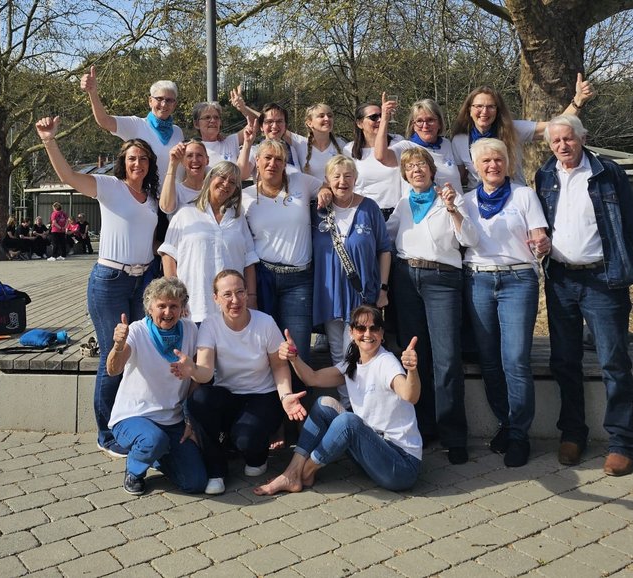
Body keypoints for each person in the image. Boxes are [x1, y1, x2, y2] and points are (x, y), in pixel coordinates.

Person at [36, 116, 160, 458]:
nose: (138, 163)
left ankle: (128, 418)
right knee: (114, 352)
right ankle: (105, 433)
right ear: (124, 163)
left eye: (144, 159)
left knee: (136, 351)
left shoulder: (150, 198)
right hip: (111, 281)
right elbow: (68, 176)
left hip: (142, 281)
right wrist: (50, 140)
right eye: (132, 158)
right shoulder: (110, 187)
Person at [536, 115, 633, 477]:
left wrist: (614, 263)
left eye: (568, 139)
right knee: (564, 360)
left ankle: (623, 442)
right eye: (556, 142)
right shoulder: (544, 176)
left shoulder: (607, 172)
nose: (562, 146)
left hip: (602, 278)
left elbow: (627, 225)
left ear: (582, 138)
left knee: (614, 361)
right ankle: (573, 433)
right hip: (561, 279)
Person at [253, 305, 422, 495]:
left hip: (401, 466)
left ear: (382, 334)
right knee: (323, 404)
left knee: (348, 422)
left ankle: (304, 471)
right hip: (374, 451)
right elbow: (312, 378)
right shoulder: (353, 364)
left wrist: (412, 370)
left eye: (374, 328)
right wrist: (294, 358)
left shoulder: (387, 363)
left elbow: (410, 395)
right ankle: (293, 471)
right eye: (361, 328)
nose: (368, 333)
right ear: (351, 333)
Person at [386, 148, 478, 464]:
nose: (416, 170)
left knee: (447, 357)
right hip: (406, 279)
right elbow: (386, 237)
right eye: (410, 167)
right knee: (416, 356)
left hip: (442, 278)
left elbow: (470, 239)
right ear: (405, 174)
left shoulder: (450, 198)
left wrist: (453, 210)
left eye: (421, 165)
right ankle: (424, 428)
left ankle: (454, 435)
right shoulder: (402, 204)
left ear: (431, 169)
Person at [462, 138, 550, 467]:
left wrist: (542, 244)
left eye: (498, 159)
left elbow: (540, 238)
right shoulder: (467, 201)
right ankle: (506, 422)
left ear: (507, 162)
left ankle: (519, 434)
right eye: (485, 161)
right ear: (475, 166)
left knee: (515, 360)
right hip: (478, 279)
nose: (492, 165)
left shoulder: (524, 196)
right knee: (489, 360)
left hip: (517, 280)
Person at [178, 270, 306, 495]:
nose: (234, 300)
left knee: (248, 447)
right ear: (215, 298)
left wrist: (285, 397)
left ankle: (255, 454)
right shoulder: (210, 325)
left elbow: (278, 366)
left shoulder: (264, 322)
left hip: (262, 395)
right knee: (199, 399)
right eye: (227, 294)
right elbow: (206, 373)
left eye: (240, 292)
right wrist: (193, 370)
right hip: (228, 395)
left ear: (248, 294)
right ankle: (215, 470)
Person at [106, 277, 207, 495]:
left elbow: (197, 378)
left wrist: (190, 418)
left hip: (173, 420)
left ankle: (155, 456)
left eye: (174, 306)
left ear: (182, 308)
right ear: (150, 308)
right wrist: (118, 345)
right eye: (161, 306)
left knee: (196, 483)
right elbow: (113, 369)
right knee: (153, 440)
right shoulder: (137, 330)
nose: (168, 313)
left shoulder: (190, 330)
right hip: (133, 417)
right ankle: (134, 470)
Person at [242, 139, 326, 377]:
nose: (272, 163)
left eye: (278, 159)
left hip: (299, 281)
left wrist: (325, 191)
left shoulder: (301, 181)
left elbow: (326, 186)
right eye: (267, 158)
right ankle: (270, 403)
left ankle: (298, 407)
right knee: (263, 346)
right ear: (256, 161)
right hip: (262, 277)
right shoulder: (245, 197)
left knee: (297, 348)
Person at [312, 155, 392, 369]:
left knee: (357, 350)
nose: (342, 181)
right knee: (338, 351)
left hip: (361, 293)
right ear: (327, 180)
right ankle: (347, 401)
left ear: (355, 178)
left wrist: (383, 289)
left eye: (348, 176)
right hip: (330, 294)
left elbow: (384, 250)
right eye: (336, 176)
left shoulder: (369, 209)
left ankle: (359, 401)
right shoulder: (317, 211)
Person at [451, 75, 595, 190]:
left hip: (514, 198)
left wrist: (578, 101)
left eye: (490, 107)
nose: (484, 112)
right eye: (479, 106)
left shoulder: (513, 129)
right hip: (478, 202)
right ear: (469, 109)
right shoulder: (459, 140)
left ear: (498, 110)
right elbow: (458, 177)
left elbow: (556, 126)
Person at [159, 161, 258, 322]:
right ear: (210, 178)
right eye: (222, 177)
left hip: (231, 310)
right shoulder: (185, 212)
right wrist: (175, 297)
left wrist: (251, 298)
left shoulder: (238, 218)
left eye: (232, 182)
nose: (226, 184)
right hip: (194, 309)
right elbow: (168, 255)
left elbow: (249, 261)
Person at [81, 66, 183, 178]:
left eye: (169, 100)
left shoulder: (178, 132)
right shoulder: (136, 125)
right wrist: (93, 93)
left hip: (174, 195)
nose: (164, 104)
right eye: (159, 99)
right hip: (147, 195)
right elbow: (104, 120)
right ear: (150, 101)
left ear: (175, 104)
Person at [374, 94, 464, 196]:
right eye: (419, 121)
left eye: (430, 120)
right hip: (422, 210)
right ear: (413, 126)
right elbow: (381, 156)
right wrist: (385, 118)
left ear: (439, 123)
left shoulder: (447, 144)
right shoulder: (406, 147)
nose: (425, 126)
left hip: (455, 208)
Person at [344, 102, 405, 221]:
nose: (380, 120)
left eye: (382, 115)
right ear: (360, 123)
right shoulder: (349, 150)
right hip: (365, 213)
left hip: (397, 212)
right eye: (373, 117)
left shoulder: (397, 142)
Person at [291, 103, 349, 182]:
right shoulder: (300, 143)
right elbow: (279, 128)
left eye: (330, 116)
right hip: (310, 194)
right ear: (309, 123)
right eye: (321, 116)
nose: (327, 119)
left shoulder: (342, 145)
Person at [159, 139, 209, 214]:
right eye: (189, 156)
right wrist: (173, 164)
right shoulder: (176, 190)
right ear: (182, 161)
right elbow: (166, 207)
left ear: (207, 160)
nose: (195, 160)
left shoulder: (212, 190)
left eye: (199, 155)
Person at [192, 101, 243, 166]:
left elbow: (256, 124)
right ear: (196, 124)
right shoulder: (193, 150)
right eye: (207, 117)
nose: (213, 121)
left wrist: (243, 108)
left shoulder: (230, 142)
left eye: (216, 117)